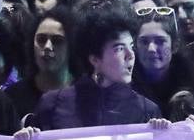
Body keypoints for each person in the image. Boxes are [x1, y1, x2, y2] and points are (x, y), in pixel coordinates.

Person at [32, 7, 168, 130]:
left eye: (131, 47)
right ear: (94, 59)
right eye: (119, 48)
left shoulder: (147, 111)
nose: (130, 55)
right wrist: (25, 139)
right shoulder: (53, 104)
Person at [4, 6, 75, 128]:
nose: (47, 46)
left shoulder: (87, 93)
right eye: (41, 39)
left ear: (72, 46)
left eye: (57, 40)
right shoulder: (12, 98)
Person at [131, 6, 192, 113]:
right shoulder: (124, 82)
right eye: (144, 42)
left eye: (160, 41)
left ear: (175, 45)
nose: (151, 49)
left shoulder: (193, 79)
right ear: (135, 46)